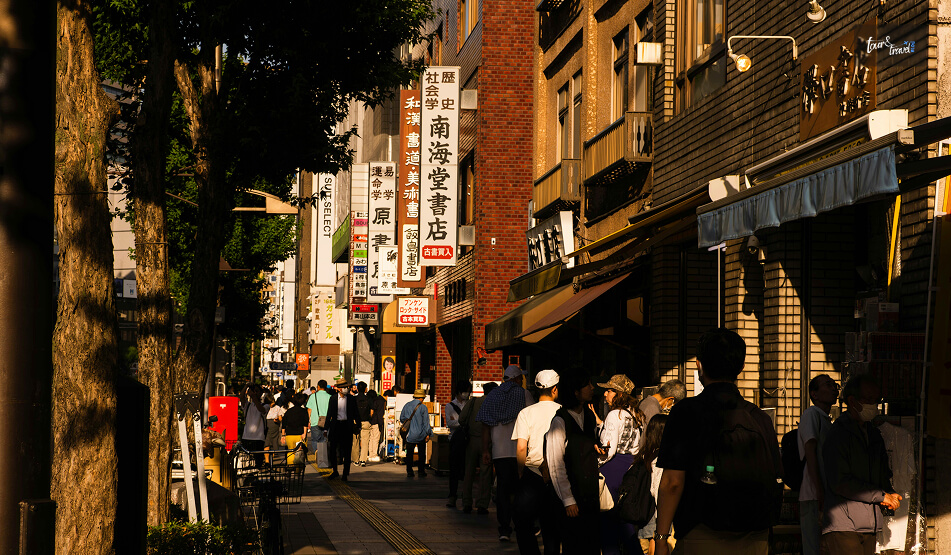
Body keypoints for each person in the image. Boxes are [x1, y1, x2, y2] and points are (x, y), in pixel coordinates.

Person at [654, 328, 783, 555]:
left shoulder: (685, 412)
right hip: (755, 536)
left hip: (702, 533)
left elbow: (673, 482)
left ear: (698, 365)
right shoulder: (760, 418)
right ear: (741, 368)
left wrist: (662, 537)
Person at [820, 374, 901, 554]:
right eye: (868, 399)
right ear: (852, 400)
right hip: (843, 524)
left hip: (869, 524)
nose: (873, 405)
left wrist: (889, 492)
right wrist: (881, 495)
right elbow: (840, 482)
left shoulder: (873, 434)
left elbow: (882, 473)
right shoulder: (839, 434)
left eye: (876, 400)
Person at [544, 372, 601, 554]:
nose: (592, 388)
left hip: (590, 495)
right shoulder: (560, 420)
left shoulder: (590, 416)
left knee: (590, 545)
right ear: (575, 392)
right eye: (587, 384)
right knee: (573, 545)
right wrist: (568, 500)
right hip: (571, 496)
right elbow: (555, 464)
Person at [477, 365, 535, 542]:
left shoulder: (492, 395)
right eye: (521, 379)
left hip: (499, 453)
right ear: (517, 379)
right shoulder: (524, 394)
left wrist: (486, 450)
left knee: (503, 490)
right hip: (520, 451)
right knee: (520, 490)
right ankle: (522, 525)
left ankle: (504, 528)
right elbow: (532, 419)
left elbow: (485, 425)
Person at [512, 369, 562, 554]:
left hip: (532, 473)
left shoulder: (526, 413)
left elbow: (521, 448)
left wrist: (520, 471)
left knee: (522, 521)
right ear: (555, 389)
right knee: (551, 525)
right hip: (557, 474)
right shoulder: (562, 411)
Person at [596, 373, 646, 554]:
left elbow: (608, 451)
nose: (605, 395)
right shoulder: (636, 414)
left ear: (618, 394)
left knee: (608, 528)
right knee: (625, 526)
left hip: (612, 472)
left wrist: (595, 464)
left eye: (609, 391)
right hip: (630, 469)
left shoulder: (614, 415)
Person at [798, 374, 838, 555]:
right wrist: (819, 490)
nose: (833, 388)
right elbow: (810, 450)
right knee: (814, 547)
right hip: (814, 494)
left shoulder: (826, 419)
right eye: (827, 385)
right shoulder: (811, 414)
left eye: (834, 385)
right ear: (814, 394)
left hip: (824, 493)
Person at [634, 414, 670, 555]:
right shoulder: (660, 458)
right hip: (656, 514)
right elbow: (656, 489)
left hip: (643, 512)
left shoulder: (644, 454)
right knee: (655, 547)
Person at [459, 382, 497, 514]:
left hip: (472, 440)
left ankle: (467, 502)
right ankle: (482, 504)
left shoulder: (474, 401)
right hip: (488, 442)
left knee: (468, 472)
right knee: (485, 473)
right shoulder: (495, 403)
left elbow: (461, 419)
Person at [326, 377, 361, 481]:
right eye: (344, 387)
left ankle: (345, 473)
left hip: (347, 426)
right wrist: (325, 429)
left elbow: (356, 413)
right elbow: (329, 414)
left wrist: (358, 425)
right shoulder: (333, 398)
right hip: (336, 425)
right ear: (338, 389)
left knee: (347, 450)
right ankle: (335, 471)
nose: (346, 388)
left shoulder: (351, 399)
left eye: (346, 386)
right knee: (333, 449)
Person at [446, 380, 472, 508]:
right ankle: (452, 495)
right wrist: (463, 423)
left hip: (468, 441)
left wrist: (457, 421)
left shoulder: (470, 404)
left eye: (468, 391)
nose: (467, 394)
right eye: (465, 391)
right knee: (454, 470)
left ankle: (466, 498)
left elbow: (454, 422)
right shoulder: (450, 405)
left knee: (467, 470)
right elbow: (449, 423)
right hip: (455, 441)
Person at [400, 388, 433, 477]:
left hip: (410, 434)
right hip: (421, 434)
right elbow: (426, 423)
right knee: (421, 454)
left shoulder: (407, 405)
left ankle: (409, 471)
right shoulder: (423, 407)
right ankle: (421, 471)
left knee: (409, 453)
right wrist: (428, 434)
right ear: (422, 398)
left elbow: (402, 418)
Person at [241, 385, 268, 465]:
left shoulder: (266, 406)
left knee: (257, 462)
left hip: (259, 438)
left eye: (257, 391)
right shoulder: (248, 405)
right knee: (246, 463)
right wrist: (246, 386)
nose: (255, 393)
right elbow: (241, 397)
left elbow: (260, 409)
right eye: (254, 391)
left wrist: (253, 396)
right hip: (246, 437)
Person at [282, 393, 310, 464]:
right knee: (300, 454)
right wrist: (304, 433)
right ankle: (298, 471)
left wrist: (283, 435)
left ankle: (290, 467)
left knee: (290, 452)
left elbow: (284, 424)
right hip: (300, 435)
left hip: (289, 435)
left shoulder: (289, 411)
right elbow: (305, 424)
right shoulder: (304, 411)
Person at [306, 379, 331, 455]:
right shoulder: (330, 397)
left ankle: (317, 454)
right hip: (327, 422)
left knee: (315, 440)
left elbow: (309, 410)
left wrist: (308, 421)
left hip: (315, 421)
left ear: (318, 387)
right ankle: (323, 456)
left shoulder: (313, 396)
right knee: (324, 440)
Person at [263, 391, 286, 464]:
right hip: (266, 428)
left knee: (273, 444)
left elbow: (280, 418)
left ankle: (271, 460)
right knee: (266, 444)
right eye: (271, 402)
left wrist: (278, 420)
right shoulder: (264, 407)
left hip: (275, 428)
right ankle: (267, 461)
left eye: (273, 402)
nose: (272, 404)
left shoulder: (277, 408)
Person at [355, 382, 373, 467]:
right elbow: (372, 412)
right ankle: (363, 460)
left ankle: (355, 460)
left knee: (355, 441)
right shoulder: (368, 399)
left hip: (355, 422)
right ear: (366, 389)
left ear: (357, 389)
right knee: (365, 441)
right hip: (366, 422)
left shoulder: (354, 399)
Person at [366, 389, 384, 462]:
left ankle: (370, 454)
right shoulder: (380, 401)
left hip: (371, 422)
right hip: (376, 422)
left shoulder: (370, 402)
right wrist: (381, 423)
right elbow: (379, 413)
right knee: (376, 439)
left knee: (371, 439)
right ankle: (374, 455)